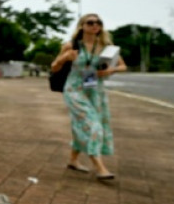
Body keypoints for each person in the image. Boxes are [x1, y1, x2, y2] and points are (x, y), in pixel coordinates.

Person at [50, 13, 127, 181]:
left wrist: (110, 70)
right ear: (82, 26)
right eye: (90, 22)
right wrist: (64, 58)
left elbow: (123, 66)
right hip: (75, 89)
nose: (95, 25)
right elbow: (54, 67)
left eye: (98, 22)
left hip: (95, 89)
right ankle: (100, 167)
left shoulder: (106, 46)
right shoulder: (71, 45)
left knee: (84, 124)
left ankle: (72, 160)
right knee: (93, 125)